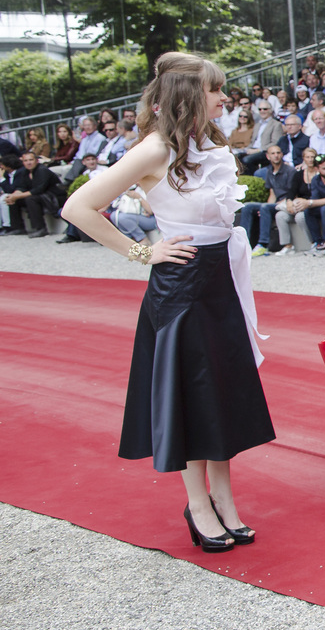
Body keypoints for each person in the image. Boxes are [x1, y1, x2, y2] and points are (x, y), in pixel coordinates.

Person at [59, 52, 273, 554]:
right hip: (180, 287)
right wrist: (141, 251)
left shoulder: (209, 143)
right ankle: (198, 504)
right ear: (188, 96)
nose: (225, 98)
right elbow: (77, 206)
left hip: (219, 279)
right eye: (216, 90)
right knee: (193, 393)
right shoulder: (153, 149)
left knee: (221, 388)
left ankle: (223, 495)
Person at [3, 151, 66, 236]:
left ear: (37, 161)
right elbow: (21, 187)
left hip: (52, 197)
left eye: (31, 160)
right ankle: (18, 228)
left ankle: (40, 228)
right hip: (40, 196)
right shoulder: (24, 172)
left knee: (31, 199)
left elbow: (38, 190)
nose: (28, 163)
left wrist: (17, 196)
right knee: (13, 199)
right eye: (26, 161)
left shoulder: (42, 170)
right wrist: (13, 196)